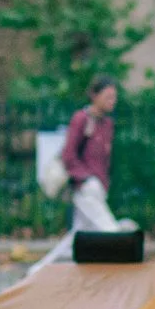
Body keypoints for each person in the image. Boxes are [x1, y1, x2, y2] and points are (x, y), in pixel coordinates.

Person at [59, 75, 130, 234]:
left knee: (83, 236)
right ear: (94, 95)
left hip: (100, 187)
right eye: (108, 97)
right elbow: (68, 155)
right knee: (108, 229)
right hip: (85, 188)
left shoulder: (107, 124)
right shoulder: (82, 119)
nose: (112, 101)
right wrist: (86, 179)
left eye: (114, 97)